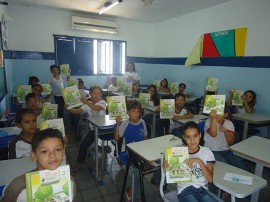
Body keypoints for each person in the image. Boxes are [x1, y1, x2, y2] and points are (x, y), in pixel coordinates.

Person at [1, 128, 75, 202]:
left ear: (63, 152)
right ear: (34, 156)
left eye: (58, 149)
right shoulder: (18, 187)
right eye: (44, 151)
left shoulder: (69, 180)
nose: (52, 155)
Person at [162, 121, 217, 202]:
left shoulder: (207, 152)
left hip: (202, 189)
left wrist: (198, 161)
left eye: (195, 136)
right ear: (184, 137)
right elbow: (172, 174)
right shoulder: (178, 151)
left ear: (200, 135)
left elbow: (210, 179)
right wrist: (166, 167)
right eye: (188, 137)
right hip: (185, 190)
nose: (192, 140)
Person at [65, 86, 112, 171]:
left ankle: (118, 154)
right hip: (95, 130)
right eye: (94, 93)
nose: (96, 95)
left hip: (105, 129)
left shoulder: (102, 102)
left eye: (99, 93)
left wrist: (86, 102)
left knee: (120, 133)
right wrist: (68, 108)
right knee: (84, 144)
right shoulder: (87, 105)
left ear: (101, 95)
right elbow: (77, 111)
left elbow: (97, 109)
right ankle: (79, 164)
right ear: (90, 94)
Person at [114, 100, 148, 201]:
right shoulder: (125, 124)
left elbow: (145, 136)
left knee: (158, 162)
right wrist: (117, 124)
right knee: (138, 170)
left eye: (138, 112)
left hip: (143, 151)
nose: (136, 114)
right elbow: (116, 139)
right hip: (130, 153)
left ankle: (155, 181)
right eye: (133, 111)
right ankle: (130, 191)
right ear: (128, 112)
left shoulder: (142, 122)